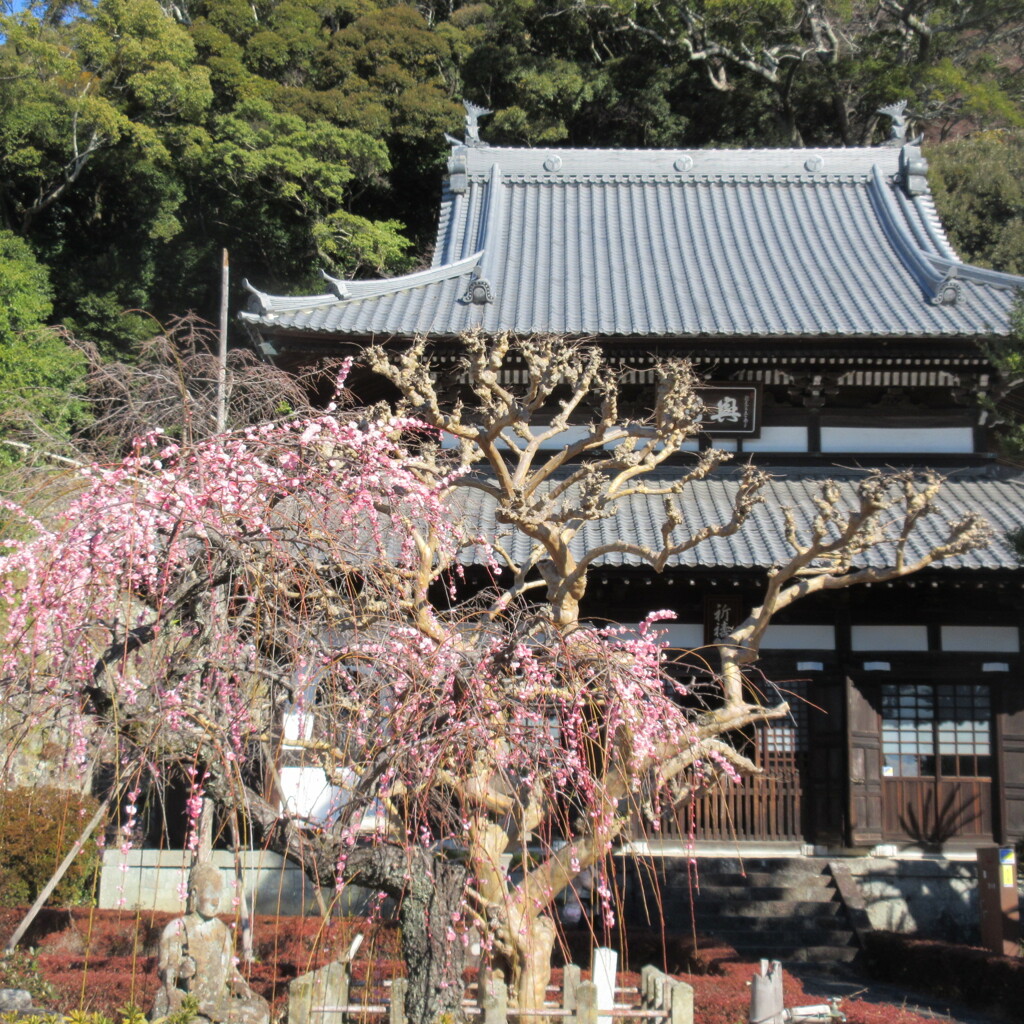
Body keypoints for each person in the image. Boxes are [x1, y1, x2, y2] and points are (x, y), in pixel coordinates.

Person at [150, 864, 269, 1024]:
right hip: (190, 1001)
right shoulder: (177, 929)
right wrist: (180, 971)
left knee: (260, 1010)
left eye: (218, 894)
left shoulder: (222, 931)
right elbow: (164, 970)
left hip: (220, 1001)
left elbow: (229, 971)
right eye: (210, 893)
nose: (215, 901)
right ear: (194, 894)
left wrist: (240, 985)